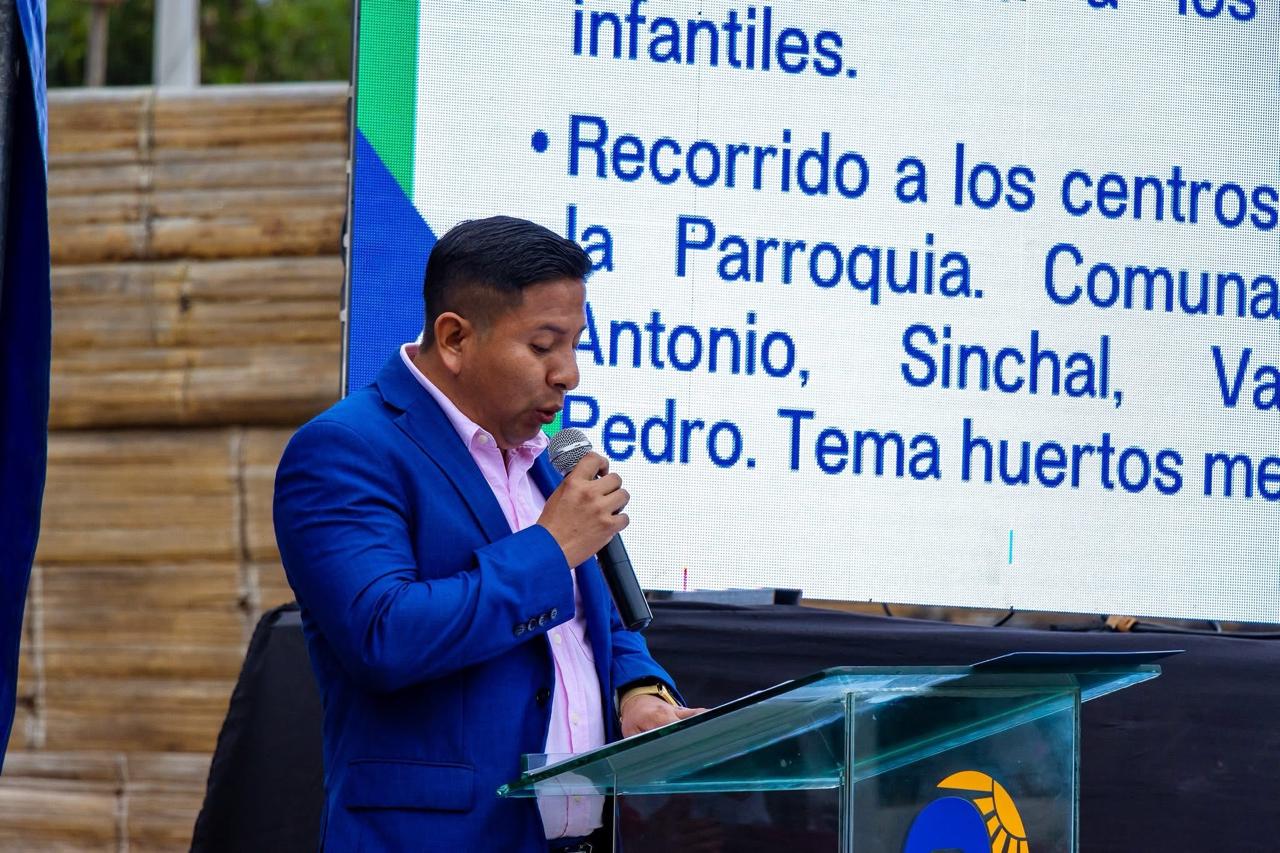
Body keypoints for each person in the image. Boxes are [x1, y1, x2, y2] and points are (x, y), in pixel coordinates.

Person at [273, 216, 699, 852]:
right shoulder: (346, 449)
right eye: (543, 346)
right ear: (455, 338)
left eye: (576, 345)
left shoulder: (542, 455)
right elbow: (384, 635)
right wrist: (551, 548)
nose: (569, 374)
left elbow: (595, 624)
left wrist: (637, 689)